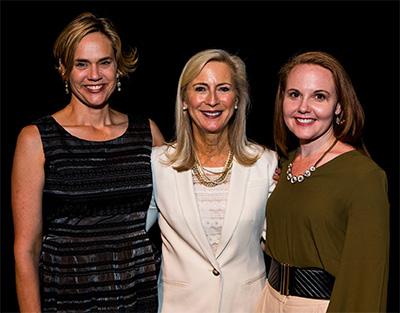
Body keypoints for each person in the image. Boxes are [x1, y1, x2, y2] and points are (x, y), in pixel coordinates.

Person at [11, 12, 164, 312]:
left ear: (118, 67)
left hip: (139, 297)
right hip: (69, 300)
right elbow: (25, 251)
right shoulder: (36, 139)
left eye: (104, 62)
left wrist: (271, 181)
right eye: (82, 64)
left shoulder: (147, 132)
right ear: (64, 69)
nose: (94, 75)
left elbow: (191, 190)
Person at [255, 51, 390, 313]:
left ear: (338, 106)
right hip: (268, 301)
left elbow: (366, 279)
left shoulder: (363, 176)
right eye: (294, 94)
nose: (303, 107)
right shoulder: (283, 165)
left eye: (319, 96)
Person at [146, 49, 278, 313]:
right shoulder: (157, 164)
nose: (212, 100)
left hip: (248, 307)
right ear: (185, 99)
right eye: (201, 89)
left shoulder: (266, 164)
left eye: (224, 88)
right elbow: (128, 232)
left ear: (237, 99)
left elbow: (281, 243)